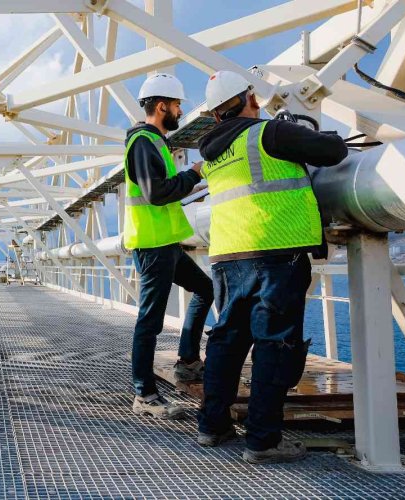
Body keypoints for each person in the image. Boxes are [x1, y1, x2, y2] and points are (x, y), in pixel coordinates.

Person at [195, 71, 347, 463]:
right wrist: (315, 133)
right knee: (274, 344)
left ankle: (212, 426)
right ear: (251, 99)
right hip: (276, 252)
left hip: (227, 256)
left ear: (215, 115)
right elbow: (333, 151)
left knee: (228, 340)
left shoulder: (212, 153)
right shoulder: (268, 133)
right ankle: (263, 441)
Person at [124, 73, 214, 419]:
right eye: (177, 105)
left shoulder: (155, 142)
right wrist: (193, 174)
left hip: (167, 244)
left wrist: (191, 185)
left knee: (205, 288)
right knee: (150, 321)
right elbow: (156, 193)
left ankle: (188, 361)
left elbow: (162, 190)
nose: (179, 111)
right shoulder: (143, 142)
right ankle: (144, 395)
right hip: (153, 246)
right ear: (162, 106)